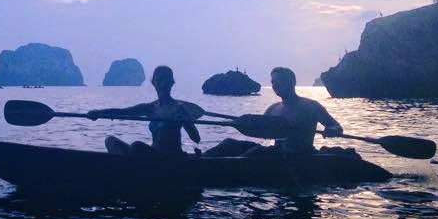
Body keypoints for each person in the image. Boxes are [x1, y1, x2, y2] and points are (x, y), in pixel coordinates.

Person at [206, 66, 343, 157]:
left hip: (298, 155)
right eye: (273, 82)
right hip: (276, 153)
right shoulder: (273, 109)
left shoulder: (310, 106)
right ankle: (200, 158)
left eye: (280, 81)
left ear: (292, 82)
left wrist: (331, 130)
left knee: (256, 152)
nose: (275, 85)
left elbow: (336, 126)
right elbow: (261, 131)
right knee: (229, 143)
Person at [86, 65, 202, 155]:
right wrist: (98, 113)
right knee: (110, 141)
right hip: (153, 155)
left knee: (137, 146)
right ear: (154, 83)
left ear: (171, 83)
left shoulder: (179, 108)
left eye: (166, 80)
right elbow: (123, 112)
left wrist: (186, 122)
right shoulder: (150, 108)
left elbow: (196, 139)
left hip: (170, 158)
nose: (163, 83)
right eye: (160, 79)